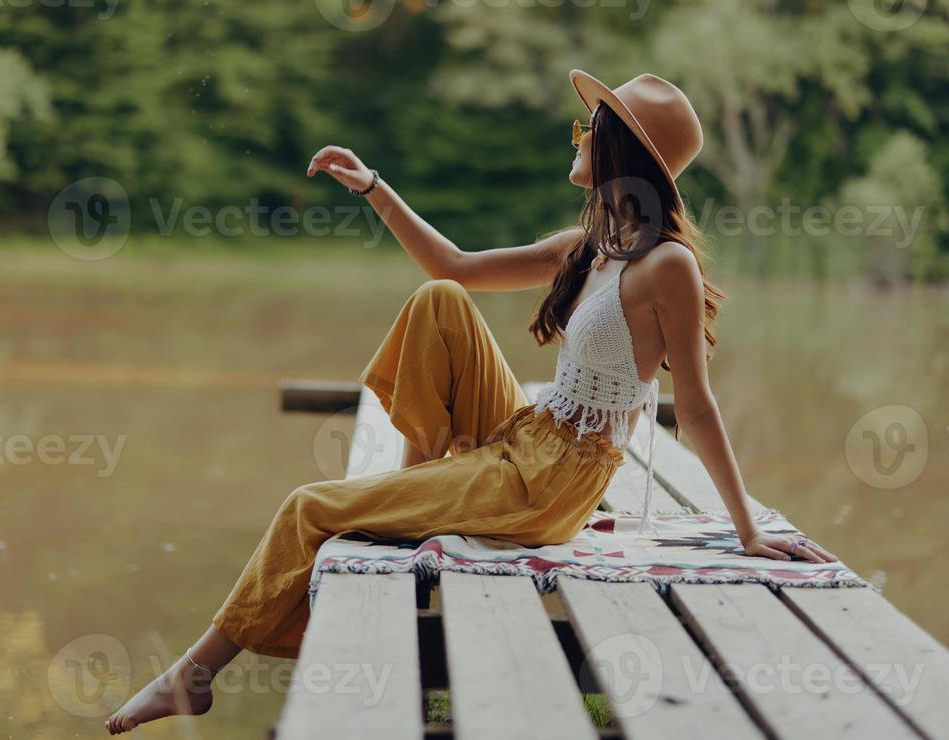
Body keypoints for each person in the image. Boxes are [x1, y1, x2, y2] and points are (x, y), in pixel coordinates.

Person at [104, 69, 835, 734]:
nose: (578, 136)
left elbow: (697, 405)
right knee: (440, 301)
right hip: (530, 432)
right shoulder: (590, 243)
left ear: (618, 151)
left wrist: (745, 530)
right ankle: (413, 482)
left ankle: (193, 676)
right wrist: (372, 187)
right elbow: (451, 264)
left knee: (308, 508)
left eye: (590, 128)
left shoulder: (664, 264)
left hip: (552, 483)